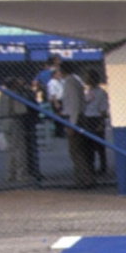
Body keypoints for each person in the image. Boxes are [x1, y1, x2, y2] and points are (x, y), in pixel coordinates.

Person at [53, 59, 92, 187]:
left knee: (76, 151)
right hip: (76, 117)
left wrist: (72, 124)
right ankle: (82, 178)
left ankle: (84, 179)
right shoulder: (74, 81)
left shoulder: (70, 82)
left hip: (74, 119)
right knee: (79, 150)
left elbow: (74, 105)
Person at [0, 76, 33, 184]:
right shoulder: (15, 94)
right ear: (14, 85)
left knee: (10, 149)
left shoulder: (2, 94)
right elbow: (21, 110)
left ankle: (10, 174)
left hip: (5, 121)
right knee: (20, 149)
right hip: (15, 121)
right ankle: (21, 174)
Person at [80, 69, 110, 177]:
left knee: (99, 145)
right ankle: (90, 167)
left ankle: (103, 167)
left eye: (89, 78)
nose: (87, 80)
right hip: (86, 118)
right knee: (87, 146)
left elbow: (103, 109)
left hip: (96, 118)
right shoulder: (85, 92)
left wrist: (101, 123)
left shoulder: (101, 92)